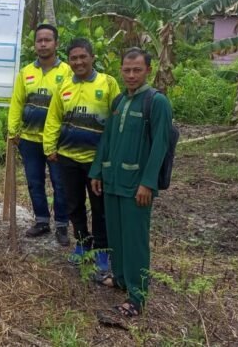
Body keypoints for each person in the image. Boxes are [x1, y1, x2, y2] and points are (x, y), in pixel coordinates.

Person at [89, 48, 173, 317]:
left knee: (135, 239)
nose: (131, 75)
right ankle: (121, 278)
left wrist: (148, 183)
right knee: (116, 234)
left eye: (137, 70)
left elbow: (160, 145)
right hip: (113, 180)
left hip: (137, 185)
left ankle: (137, 295)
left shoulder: (156, 102)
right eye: (127, 70)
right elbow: (107, 139)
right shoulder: (118, 102)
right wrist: (96, 172)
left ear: (148, 69)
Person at [43, 38, 119, 270]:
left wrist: (111, 156)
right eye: (74, 58)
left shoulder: (108, 83)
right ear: (69, 61)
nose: (78, 62)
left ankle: (102, 250)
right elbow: (53, 118)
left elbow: (116, 122)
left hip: (97, 162)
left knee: (100, 208)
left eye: (83, 57)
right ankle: (83, 243)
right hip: (67, 158)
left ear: (92, 57)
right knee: (73, 205)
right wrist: (50, 147)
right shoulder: (64, 87)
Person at [7, 24, 71, 245]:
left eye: (47, 40)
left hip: (57, 141)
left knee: (60, 183)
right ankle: (42, 221)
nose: (43, 44)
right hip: (29, 140)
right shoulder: (26, 73)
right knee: (34, 182)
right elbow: (17, 103)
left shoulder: (67, 72)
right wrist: (13, 131)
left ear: (56, 44)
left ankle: (62, 225)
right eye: (39, 40)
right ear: (35, 44)